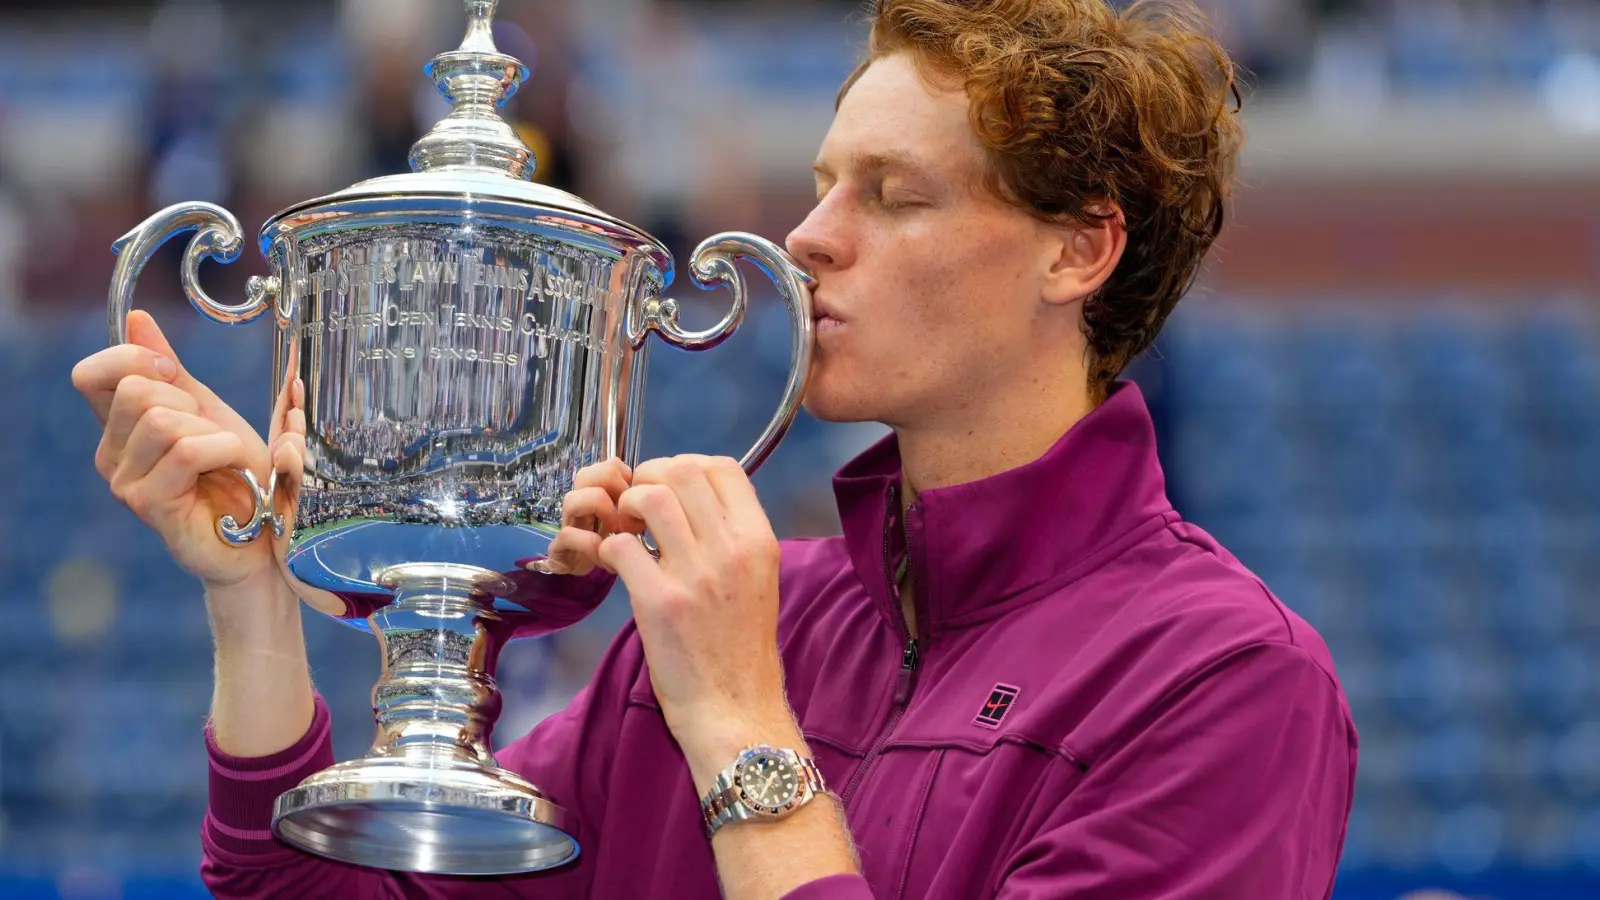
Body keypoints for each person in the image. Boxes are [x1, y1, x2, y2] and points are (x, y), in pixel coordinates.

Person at [71, 1, 1357, 898]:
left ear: (1079, 249)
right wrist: (250, 601)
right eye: (822, 183)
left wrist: (743, 725)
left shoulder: (1226, 682)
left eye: (893, 197)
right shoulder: (744, 615)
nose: (809, 237)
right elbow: (326, 898)